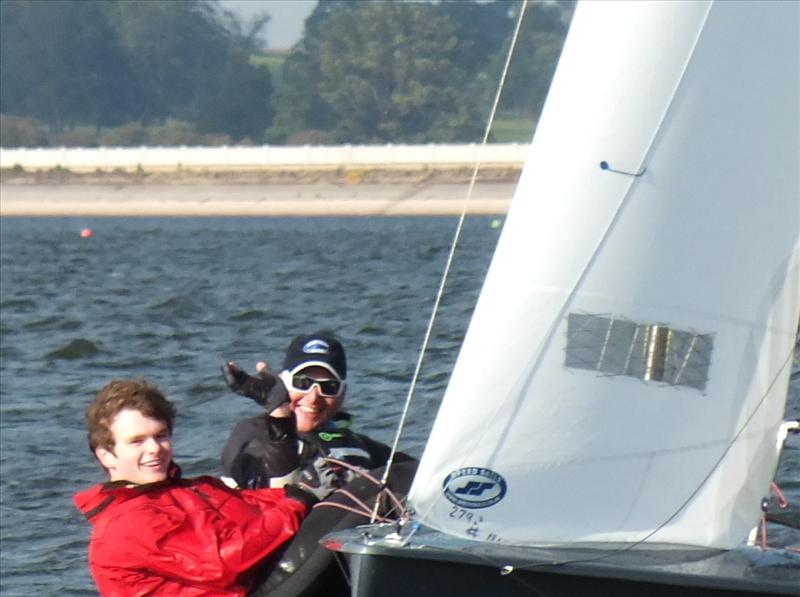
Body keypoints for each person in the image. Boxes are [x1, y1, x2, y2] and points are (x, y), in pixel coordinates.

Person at [73, 379, 340, 596]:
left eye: (160, 436)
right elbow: (223, 564)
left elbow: (266, 506)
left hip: (259, 583)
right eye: (137, 441)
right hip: (245, 585)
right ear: (106, 455)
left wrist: (314, 489)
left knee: (353, 496)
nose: (154, 449)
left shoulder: (194, 489)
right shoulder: (127, 523)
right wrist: (300, 499)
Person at [221, 331, 414, 492]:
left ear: (343, 393)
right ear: (281, 382)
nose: (313, 398)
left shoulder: (361, 445)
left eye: (328, 387)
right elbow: (273, 498)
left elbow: (427, 477)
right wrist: (279, 411)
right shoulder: (252, 435)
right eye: (302, 384)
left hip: (358, 532)